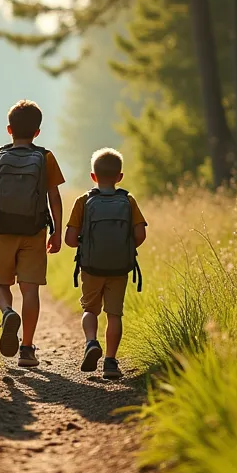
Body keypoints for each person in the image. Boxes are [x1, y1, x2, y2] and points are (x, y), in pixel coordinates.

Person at [0, 100, 64, 368]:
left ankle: (7, 312)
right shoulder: (45, 157)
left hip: (2, 230)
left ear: (9, 129)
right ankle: (26, 349)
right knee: (30, 289)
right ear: (37, 132)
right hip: (34, 231)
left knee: (0, 282)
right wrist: (55, 231)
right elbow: (54, 197)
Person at [64, 148, 147, 380]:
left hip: (91, 267)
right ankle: (110, 361)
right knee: (114, 314)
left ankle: (91, 342)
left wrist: (86, 243)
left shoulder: (84, 201)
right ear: (120, 177)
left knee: (90, 309)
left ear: (93, 176)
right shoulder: (128, 201)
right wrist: (125, 248)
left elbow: (70, 240)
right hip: (119, 268)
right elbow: (140, 234)